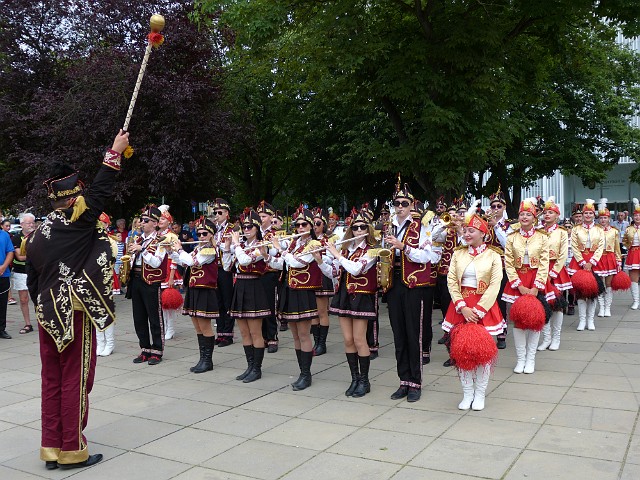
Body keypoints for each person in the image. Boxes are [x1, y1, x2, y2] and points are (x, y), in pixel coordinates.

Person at [26, 130, 128, 470]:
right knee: (75, 380)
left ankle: (51, 448)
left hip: (45, 312)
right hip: (73, 311)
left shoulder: (39, 232)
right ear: (73, 199)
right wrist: (114, 153)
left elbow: (33, 279)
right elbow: (100, 191)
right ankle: (72, 448)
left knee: (51, 379)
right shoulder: (78, 220)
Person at [443, 202, 504, 411]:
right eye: (466, 230)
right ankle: (467, 393)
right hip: (461, 307)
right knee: (462, 353)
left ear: (483, 233)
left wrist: (477, 310)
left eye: (471, 230)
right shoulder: (458, 254)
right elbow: (451, 281)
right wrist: (462, 306)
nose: (467, 234)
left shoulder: (494, 255)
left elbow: (495, 284)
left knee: (483, 353)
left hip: (484, 308)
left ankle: (480, 394)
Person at [384, 179, 441, 402]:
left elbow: (429, 256)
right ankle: (403, 381)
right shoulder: (389, 226)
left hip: (414, 284)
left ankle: (415, 383)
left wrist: (403, 247)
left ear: (412, 205)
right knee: (398, 334)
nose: (400, 207)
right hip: (394, 282)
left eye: (404, 203)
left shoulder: (423, 226)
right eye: (397, 203)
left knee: (413, 334)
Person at [319, 210, 378, 397]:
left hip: (361, 296)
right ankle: (354, 378)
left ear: (368, 230)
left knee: (360, 339)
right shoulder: (346, 249)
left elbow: (356, 269)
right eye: (355, 227)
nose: (359, 230)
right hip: (344, 295)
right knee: (348, 339)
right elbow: (334, 273)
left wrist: (336, 253)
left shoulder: (371, 250)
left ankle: (364, 381)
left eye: (362, 227)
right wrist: (319, 259)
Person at [269, 207, 321, 391]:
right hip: (289, 290)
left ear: (311, 226)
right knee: (295, 335)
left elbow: (297, 262)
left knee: (304, 334)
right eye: (297, 225)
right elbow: (283, 264)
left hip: (304, 291)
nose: (300, 227)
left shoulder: (314, 244)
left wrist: (279, 249)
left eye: (304, 224)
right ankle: (302, 372)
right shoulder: (293, 243)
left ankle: (307, 374)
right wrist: (265, 254)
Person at [502, 197, 550, 374]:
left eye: (528, 214)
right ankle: (520, 358)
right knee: (518, 320)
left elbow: (545, 262)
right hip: (518, 281)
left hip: (536, 279)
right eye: (522, 214)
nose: (524, 217)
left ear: (534, 217)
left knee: (534, 320)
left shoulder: (542, 237)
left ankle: (531, 359)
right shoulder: (511, 237)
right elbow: (508, 262)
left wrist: (537, 285)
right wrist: (518, 285)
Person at [223, 210, 271, 382]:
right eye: (244, 226)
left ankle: (257, 369)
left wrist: (236, 244)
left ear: (257, 228)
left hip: (254, 286)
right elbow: (227, 266)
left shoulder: (261, 245)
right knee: (244, 332)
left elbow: (244, 261)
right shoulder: (241, 245)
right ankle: (250, 366)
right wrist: (228, 248)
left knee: (255, 332)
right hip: (240, 286)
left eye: (249, 226)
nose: (246, 229)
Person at [171, 218, 219, 373]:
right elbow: (183, 261)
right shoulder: (199, 248)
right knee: (197, 326)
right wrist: (171, 251)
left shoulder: (210, 249)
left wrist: (179, 250)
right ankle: (202, 358)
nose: (202, 236)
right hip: (194, 289)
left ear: (211, 235)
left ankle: (208, 360)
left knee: (205, 326)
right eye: (199, 233)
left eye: (205, 233)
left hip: (205, 290)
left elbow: (192, 261)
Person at [126, 205, 168, 365]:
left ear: (155, 223)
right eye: (141, 220)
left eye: (145, 221)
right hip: (136, 280)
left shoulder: (161, 241)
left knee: (154, 316)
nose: (141, 223)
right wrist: (128, 260)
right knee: (139, 317)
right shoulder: (137, 239)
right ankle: (145, 348)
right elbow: (131, 259)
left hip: (151, 282)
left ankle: (157, 350)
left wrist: (141, 250)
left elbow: (157, 262)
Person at [538, 197, 571, 351]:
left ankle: (556, 337)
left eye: (550, 212)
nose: (547, 215)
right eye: (545, 212)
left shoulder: (562, 232)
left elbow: (563, 254)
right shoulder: (538, 231)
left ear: (557, 216)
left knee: (557, 304)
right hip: (540, 270)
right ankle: (546, 338)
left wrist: (553, 272)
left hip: (556, 271)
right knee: (543, 303)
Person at [567, 199, 605, 330]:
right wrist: (583, 262)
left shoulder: (599, 230)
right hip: (579, 261)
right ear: (582, 215)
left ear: (594, 215)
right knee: (581, 293)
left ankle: (591, 320)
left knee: (593, 292)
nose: (588, 215)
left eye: (590, 213)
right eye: (585, 213)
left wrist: (592, 262)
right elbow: (574, 247)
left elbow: (601, 246)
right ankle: (582, 320)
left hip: (595, 262)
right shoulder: (576, 229)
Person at [486, 186, 513, 350]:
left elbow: (508, 244)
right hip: (484, 268)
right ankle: (487, 330)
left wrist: (496, 226)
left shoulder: (510, 225)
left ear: (504, 208)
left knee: (501, 301)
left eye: (499, 206)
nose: (495, 209)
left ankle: (502, 333)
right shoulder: (484, 222)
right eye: (493, 206)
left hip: (501, 268)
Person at [257, 200, 280, 352]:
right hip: (256, 272)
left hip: (270, 272)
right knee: (259, 305)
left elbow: (275, 252)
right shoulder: (254, 231)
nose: (261, 218)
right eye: (259, 215)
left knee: (270, 305)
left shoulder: (275, 234)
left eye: (264, 216)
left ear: (271, 217)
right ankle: (262, 336)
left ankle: (272, 337)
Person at [211, 198, 236, 347]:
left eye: (220, 212)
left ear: (226, 214)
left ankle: (228, 334)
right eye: (215, 212)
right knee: (217, 301)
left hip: (226, 269)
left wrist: (217, 244)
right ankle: (220, 333)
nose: (217, 215)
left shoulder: (232, 229)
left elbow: (232, 247)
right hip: (214, 268)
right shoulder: (213, 228)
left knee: (227, 301)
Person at [310, 207, 334, 355]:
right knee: (312, 312)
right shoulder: (308, 239)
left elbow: (331, 258)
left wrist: (318, 255)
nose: (315, 226)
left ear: (323, 225)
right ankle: (316, 342)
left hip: (322, 275)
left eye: (318, 223)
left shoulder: (328, 240)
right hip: (310, 276)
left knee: (321, 311)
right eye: (313, 223)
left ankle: (322, 343)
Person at [157, 205, 181, 340]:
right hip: (157, 270)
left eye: (163, 219)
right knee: (160, 302)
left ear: (169, 222)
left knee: (168, 302)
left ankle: (170, 328)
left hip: (167, 271)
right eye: (159, 219)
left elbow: (174, 258)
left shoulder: (172, 236)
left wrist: (171, 276)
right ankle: (165, 326)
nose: (160, 221)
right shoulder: (157, 235)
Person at [595, 199, 622, 317]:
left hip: (610, 257)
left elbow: (617, 248)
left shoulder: (614, 231)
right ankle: (601, 307)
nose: (603, 220)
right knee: (599, 284)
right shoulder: (594, 230)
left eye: (605, 218)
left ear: (609, 219)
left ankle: (607, 307)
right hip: (598, 258)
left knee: (609, 284)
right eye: (601, 218)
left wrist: (619, 260)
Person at [11, 213, 36, 334]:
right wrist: (36, 255)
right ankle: (28, 324)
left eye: (33, 222)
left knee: (39, 298)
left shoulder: (39, 236)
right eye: (28, 223)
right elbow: (20, 257)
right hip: (21, 272)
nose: (31, 225)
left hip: (36, 271)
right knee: (24, 299)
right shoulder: (16, 237)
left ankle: (43, 322)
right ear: (21, 225)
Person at [623, 199, 640, 309]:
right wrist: (627, 247)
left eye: (639, 215)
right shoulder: (629, 229)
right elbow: (624, 240)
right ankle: (636, 301)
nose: (637, 218)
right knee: (633, 279)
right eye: (636, 216)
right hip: (633, 254)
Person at [0, 221, 14, 338]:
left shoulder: (4, 235)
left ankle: (1, 329)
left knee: (2, 303)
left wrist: (4, 266)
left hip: (3, 274)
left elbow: (10, 251)